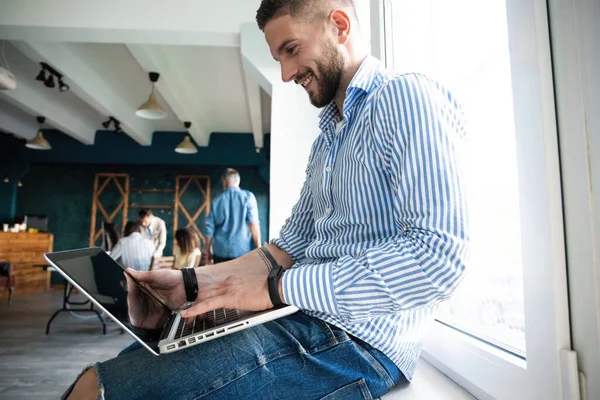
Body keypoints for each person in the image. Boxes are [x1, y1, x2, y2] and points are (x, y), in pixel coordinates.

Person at [64, 1, 469, 398]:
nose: (286, 72)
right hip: (300, 315)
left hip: (357, 340)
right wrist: (190, 282)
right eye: (278, 57)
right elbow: (285, 250)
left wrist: (276, 291)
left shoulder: (404, 97)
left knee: (97, 390)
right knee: (122, 363)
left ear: (340, 26)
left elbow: (437, 258)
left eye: (291, 50)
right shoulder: (328, 139)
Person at [203, 168, 261, 263]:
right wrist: (258, 247)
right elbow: (253, 223)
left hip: (220, 253)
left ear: (224, 182)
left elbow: (209, 229)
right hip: (243, 252)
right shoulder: (248, 197)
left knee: (220, 278)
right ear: (238, 181)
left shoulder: (217, 201)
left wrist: (208, 250)